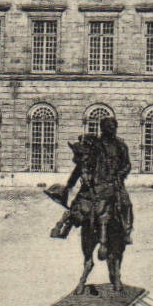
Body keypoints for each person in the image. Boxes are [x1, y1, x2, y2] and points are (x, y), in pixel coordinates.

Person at [47, 118, 135, 294]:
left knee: (125, 204)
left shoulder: (121, 146)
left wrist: (119, 175)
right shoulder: (95, 145)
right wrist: (69, 185)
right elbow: (82, 165)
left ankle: (126, 232)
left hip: (114, 183)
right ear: (103, 129)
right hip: (95, 184)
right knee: (78, 203)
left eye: (113, 127)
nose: (111, 130)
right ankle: (63, 227)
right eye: (108, 127)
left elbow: (127, 165)